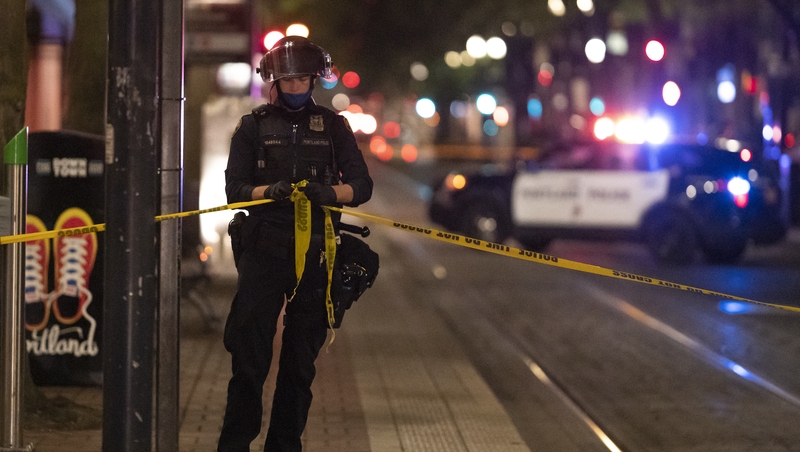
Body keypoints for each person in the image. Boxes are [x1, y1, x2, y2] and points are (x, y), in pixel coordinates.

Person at [218, 36, 373, 452]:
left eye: (302, 78)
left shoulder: (335, 127)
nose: (294, 86)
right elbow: (234, 189)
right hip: (264, 251)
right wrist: (270, 191)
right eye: (287, 80)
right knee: (248, 358)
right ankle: (234, 444)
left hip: (318, 253)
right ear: (274, 80)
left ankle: (284, 445)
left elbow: (362, 186)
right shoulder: (252, 127)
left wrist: (331, 195)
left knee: (300, 363)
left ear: (314, 79)